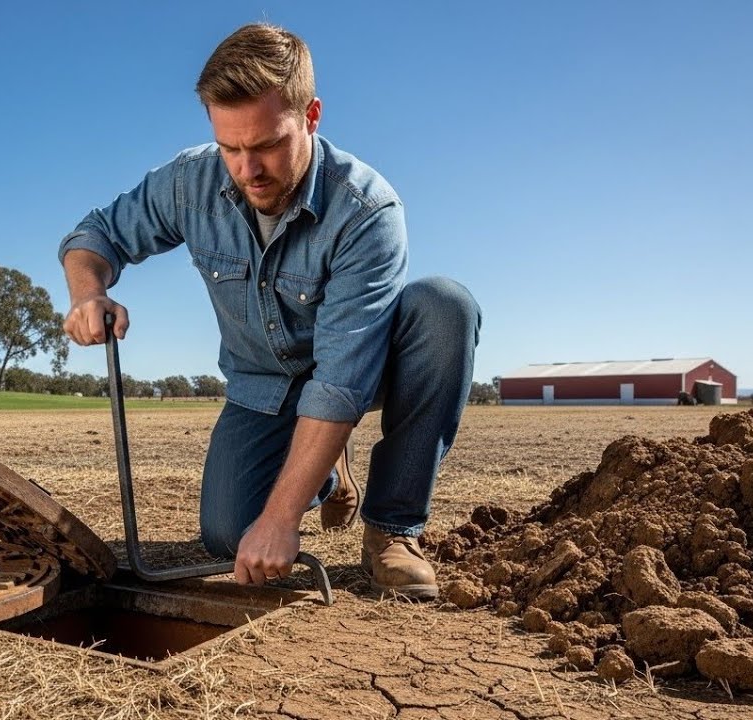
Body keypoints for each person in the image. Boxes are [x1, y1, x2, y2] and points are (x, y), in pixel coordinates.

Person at [58, 23, 480, 599]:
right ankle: (328, 475)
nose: (247, 169)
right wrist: (88, 292)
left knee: (444, 308)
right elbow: (97, 233)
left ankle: (391, 532)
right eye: (230, 147)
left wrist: (282, 519)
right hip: (263, 386)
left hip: (360, 370)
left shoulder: (366, 209)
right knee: (230, 535)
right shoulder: (190, 180)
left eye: (265, 146)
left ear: (311, 116)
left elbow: (339, 382)